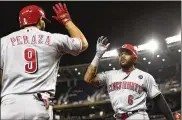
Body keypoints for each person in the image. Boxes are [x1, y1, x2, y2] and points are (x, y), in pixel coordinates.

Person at [1, 2, 88, 120]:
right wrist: (67, 20)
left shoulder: (3, 42)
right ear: (40, 20)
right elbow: (83, 44)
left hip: (9, 105)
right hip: (39, 104)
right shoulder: (54, 39)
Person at [84, 36, 174, 120]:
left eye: (127, 53)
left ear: (135, 58)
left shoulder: (145, 76)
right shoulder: (109, 75)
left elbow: (159, 100)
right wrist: (98, 55)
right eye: (120, 54)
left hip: (137, 116)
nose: (122, 56)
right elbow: (88, 79)